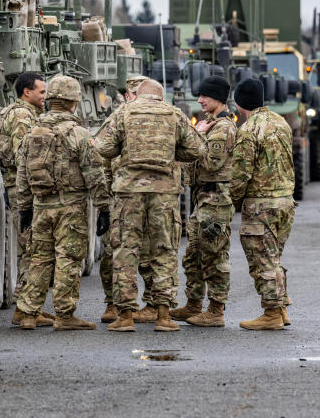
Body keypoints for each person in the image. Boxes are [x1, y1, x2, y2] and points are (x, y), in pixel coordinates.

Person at [93, 78, 205, 332]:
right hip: (164, 192)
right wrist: (171, 153)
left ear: (139, 95)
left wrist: (124, 150)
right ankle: (164, 316)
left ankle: (125, 316)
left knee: (125, 251)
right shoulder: (174, 114)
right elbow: (197, 148)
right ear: (160, 97)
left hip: (128, 191)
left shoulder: (123, 112)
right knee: (164, 250)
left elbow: (102, 146)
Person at [13, 75, 111, 330]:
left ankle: (27, 313)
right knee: (68, 258)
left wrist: (24, 207)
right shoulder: (79, 133)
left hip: (40, 206)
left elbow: (21, 173)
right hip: (71, 207)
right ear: (73, 102)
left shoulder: (34, 131)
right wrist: (104, 207)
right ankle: (65, 315)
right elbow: (94, 174)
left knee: (39, 258)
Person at [229, 77, 296, 330]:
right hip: (286, 202)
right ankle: (280, 308)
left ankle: (271, 314)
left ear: (238, 104)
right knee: (273, 257)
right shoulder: (281, 123)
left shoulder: (248, 130)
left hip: (261, 205)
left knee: (262, 260)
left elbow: (240, 174)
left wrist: (229, 200)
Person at [171, 76, 237, 327]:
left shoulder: (222, 128)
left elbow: (211, 162)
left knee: (214, 256)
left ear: (217, 98)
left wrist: (196, 137)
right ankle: (194, 304)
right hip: (203, 197)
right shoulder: (210, 124)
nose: (199, 100)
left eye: (204, 96)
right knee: (193, 255)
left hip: (216, 199)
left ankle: (216, 310)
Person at [0, 72, 51, 326]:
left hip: (18, 186)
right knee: (31, 246)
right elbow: (22, 155)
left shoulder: (19, 112)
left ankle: (29, 306)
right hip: (21, 189)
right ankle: (25, 309)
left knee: (30, 245)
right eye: (41, 92)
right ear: (26, 92)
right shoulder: (21, 116)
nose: (44, 97)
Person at [97, 74, 154, 324]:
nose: (131, 98)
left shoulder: (160, 116)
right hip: (121, 193)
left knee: (151, 252)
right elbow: (102, 155)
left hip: (151, 194)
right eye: (130, 94)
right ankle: (113, 303)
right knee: (114, 251)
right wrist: (106, 194)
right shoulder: (118, 118)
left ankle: (152, 303)